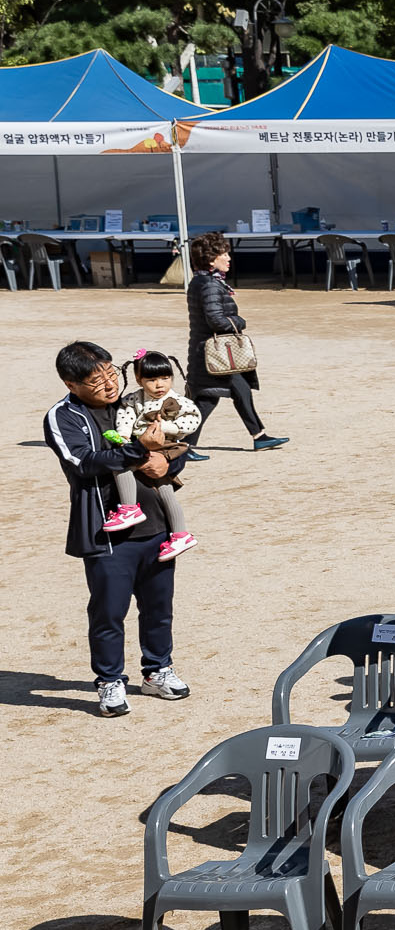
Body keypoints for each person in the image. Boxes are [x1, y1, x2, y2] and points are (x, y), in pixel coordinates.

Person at [48, 341, 189, 717]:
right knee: (109, 612)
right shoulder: (62, 416)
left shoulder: (134, 402)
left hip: (156, 523)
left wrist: (169, 467)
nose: (110, 384)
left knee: (159, 608)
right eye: (96, 380)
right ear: (71, 384)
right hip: (105, 530)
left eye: (111, 372)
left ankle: (157, 670)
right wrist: (139, 450)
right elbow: (84, 462)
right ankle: (109, 680)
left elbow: (176, 441)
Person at [184, 232, 286, 452]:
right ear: (211, 259)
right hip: (215, 353)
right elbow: (216, 320)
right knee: (207, 400)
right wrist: (238, 321)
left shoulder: (203, 281)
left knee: (238, 391)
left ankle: (259, 436)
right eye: (224, 254)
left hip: (213, 352)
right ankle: (183, 446)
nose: (229, 258)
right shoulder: (209, 284)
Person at [105, 349, 200, 558]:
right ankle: (180, 534)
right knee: (164, 489)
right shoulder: (133, 399)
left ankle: (130, 508)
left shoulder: (177, 400)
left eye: (165, 378)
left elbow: (193, 419)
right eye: (152, 379)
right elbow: (125, 417)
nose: (160, 385)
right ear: (139, 379)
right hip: (142, 444)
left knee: (122, 466)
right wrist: (123, 436)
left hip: (166, 446)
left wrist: (168, 427)